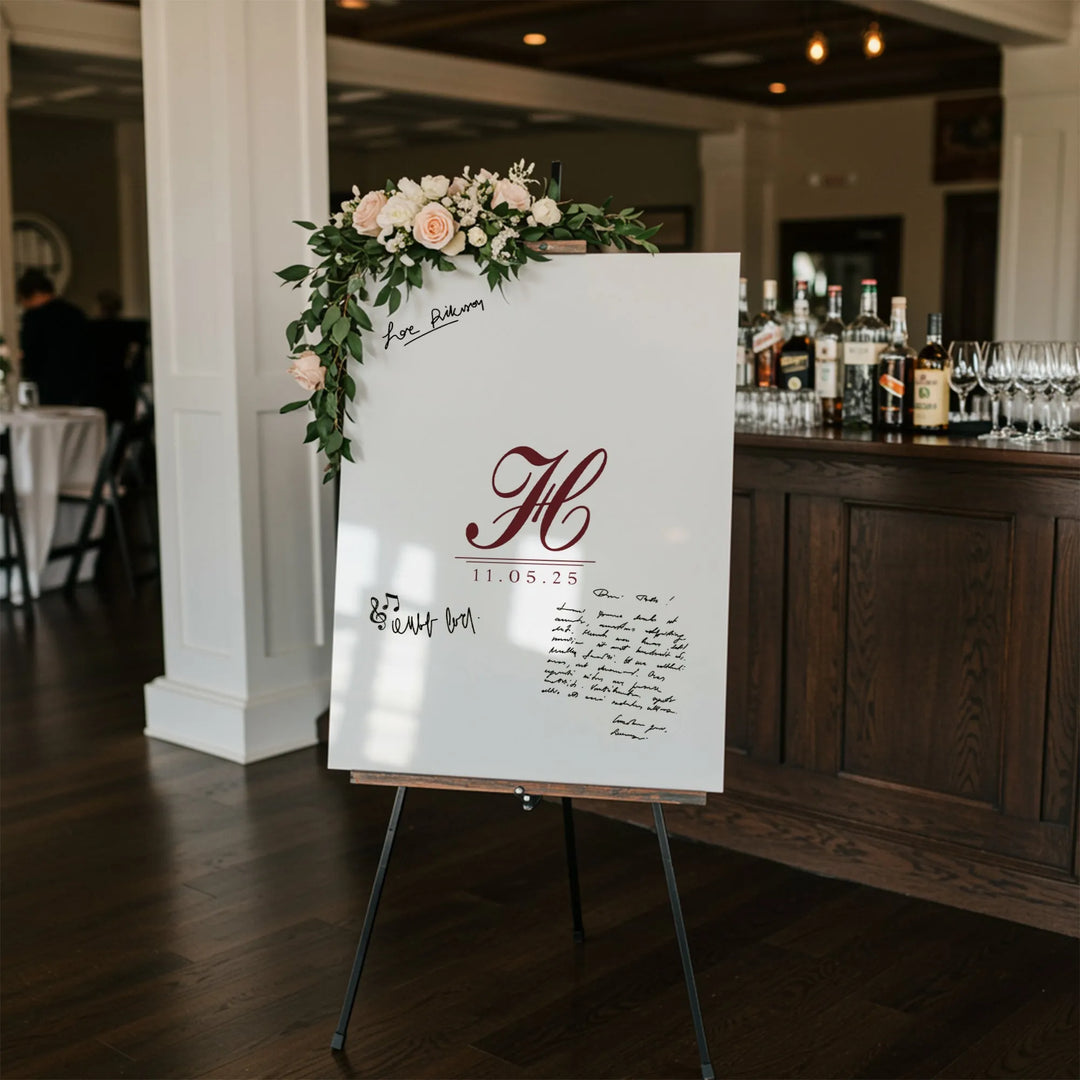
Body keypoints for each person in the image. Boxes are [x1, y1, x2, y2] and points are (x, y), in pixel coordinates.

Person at [16, 269, 97, 407]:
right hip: (80, 387)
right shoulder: (75, 313)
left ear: (29, 295)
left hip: (47, 388)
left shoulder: (33, 318)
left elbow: (31, 357)